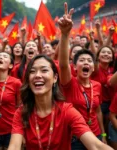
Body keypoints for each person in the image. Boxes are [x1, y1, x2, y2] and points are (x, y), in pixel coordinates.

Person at [8, 3, 113, 150]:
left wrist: (64, 34)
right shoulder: (22, 112)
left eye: (44, 70)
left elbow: (96, 145)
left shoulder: (67, 111)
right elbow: (14, 146)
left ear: (55, 78)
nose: (37, 75)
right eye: (32, 71)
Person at [58, 2, 107, 150]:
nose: (86, 62)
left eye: (89, 61)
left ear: (93, 67)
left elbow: (97, 111)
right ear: (75, 66)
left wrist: (103, 136)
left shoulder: (97, 85)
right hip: (75, 139)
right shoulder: (69, 83)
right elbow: (63, 65)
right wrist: (65, 34)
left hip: (96, 135)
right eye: (82, 60)